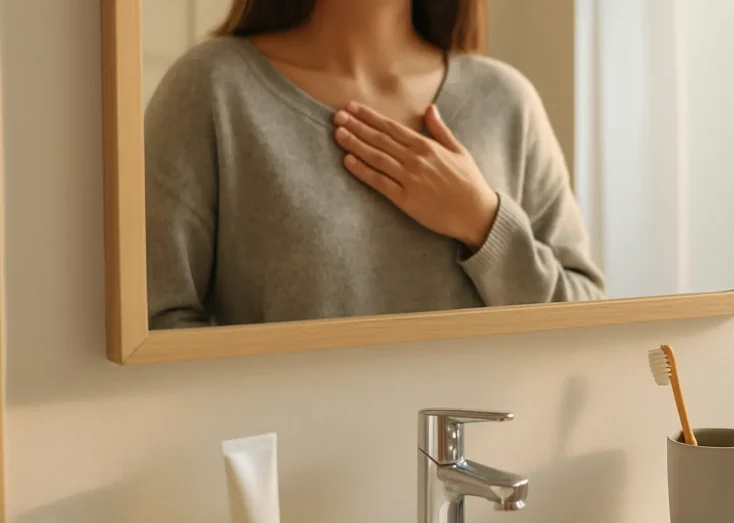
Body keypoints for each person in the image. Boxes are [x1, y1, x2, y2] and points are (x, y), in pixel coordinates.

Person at [145, 0, 606, 329]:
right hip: (294, 464)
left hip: (486, 462)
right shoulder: (211, 89)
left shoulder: (507, 102)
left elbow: (587, 320)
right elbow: (154, 320)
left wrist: (483, 223)